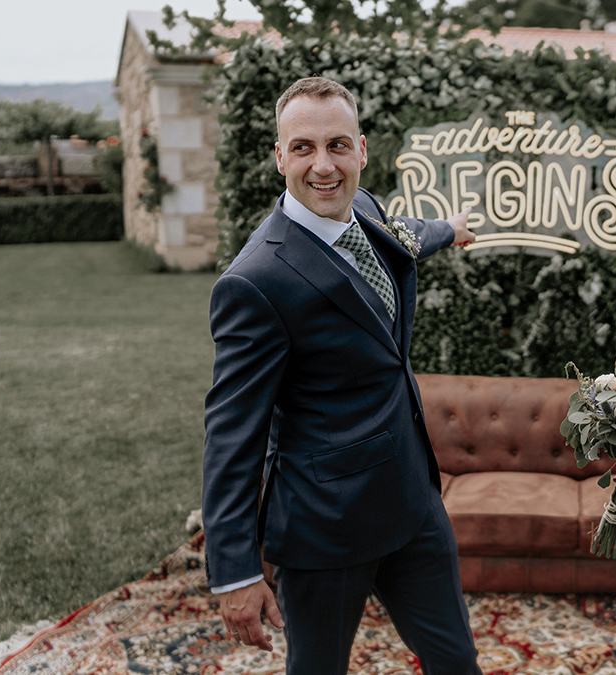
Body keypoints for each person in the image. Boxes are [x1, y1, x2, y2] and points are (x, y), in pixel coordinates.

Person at [201, 76, 481, 674]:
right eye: (303, 148)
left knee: (457, 662)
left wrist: (449, 229)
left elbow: (401, 239)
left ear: (360, 149)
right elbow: (232, 435)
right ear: (280, 157)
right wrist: (235, 571)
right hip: (323, 529)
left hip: (412, 503)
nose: (322, 166)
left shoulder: (367, 209)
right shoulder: (255, 282)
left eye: (337, 146)